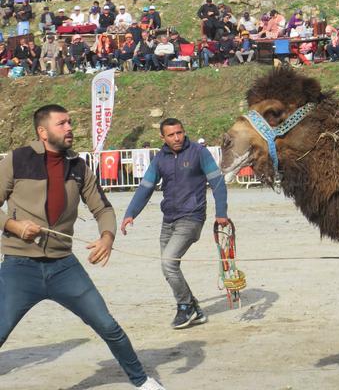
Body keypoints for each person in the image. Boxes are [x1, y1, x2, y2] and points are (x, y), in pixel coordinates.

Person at [0, 105, 165, 390]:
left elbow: (103, 208)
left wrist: (107, 237)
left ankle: (142, 382)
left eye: (70, 123)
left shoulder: (78, 166)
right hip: (19, 267)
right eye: (62, 123)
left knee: (107, 326)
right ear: (43, 132)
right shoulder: (16, 160)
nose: (69, 128)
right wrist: (12, 226)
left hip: (64, 267)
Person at [121, 118, 229, 329]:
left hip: (192, 217)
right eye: (171, 135)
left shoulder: (199, 152)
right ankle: (194, 308)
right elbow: (146, 187)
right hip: (168, 219)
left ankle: (184, 307)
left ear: (184, 131)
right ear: (163, 137)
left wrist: (221, 213)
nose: (177, 137)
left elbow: (217, 182)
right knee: (169, 266)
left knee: (168, 263)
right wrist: (130, 213)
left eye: (179, 132)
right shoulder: (160, 159)